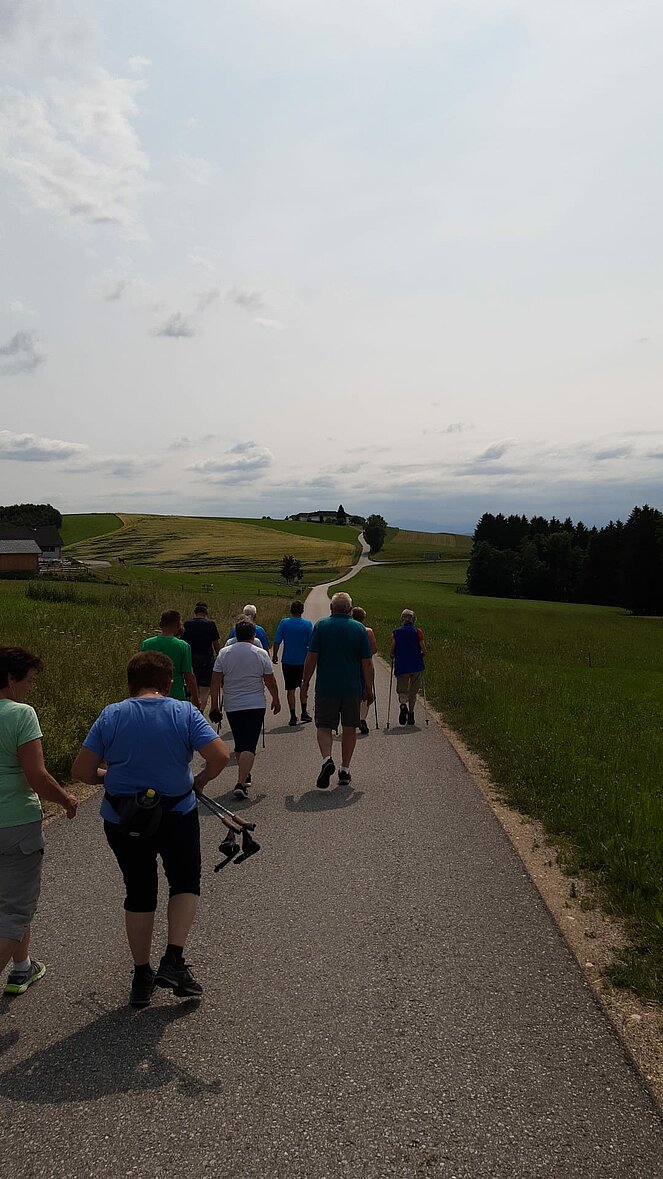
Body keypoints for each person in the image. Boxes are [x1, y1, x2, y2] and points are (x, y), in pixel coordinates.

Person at [72, 651, 229, 1007]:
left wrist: (111, 776)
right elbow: (219, 756)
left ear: (130, 683)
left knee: (139, 891)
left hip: (124, 818)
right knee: (184, 882)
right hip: (177, 814)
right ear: (168, 683)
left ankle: (141, 975)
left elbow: (81, 772)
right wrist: (200, 781)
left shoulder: (111, 715)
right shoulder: (184, 712)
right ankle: (173, 958)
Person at [0, 647, 78, 997]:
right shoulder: (20, 714)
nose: (31, 687)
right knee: (15, 911)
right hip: (15, 823)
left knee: (8, 903)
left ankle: (22, 967)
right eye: (29, 680)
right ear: (10, 678)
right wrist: (66, 800)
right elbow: (36, 775)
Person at [301, 592, 373, 789]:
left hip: (326, 687)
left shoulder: (321, 626)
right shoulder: (359, 629)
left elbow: (311, 658)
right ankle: (345, 769)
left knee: (323, 727)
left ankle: (327, 759)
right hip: (351, 688)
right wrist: (369, 688)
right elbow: (367, 663)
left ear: (331, 608)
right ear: (350, 609)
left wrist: (305, 684)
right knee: (349, 728)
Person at [209, 617, 281, 797]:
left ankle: (245, 774)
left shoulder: (224, 653)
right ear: (253, 635)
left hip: (233, 704)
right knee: (249, 745)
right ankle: (240, 783)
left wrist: (214, 705)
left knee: (240, 742)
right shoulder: (260, 653)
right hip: (255, 703)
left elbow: (215, 681)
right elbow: (270, 681)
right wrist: (276, 698)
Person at [141, 610, 201, 710]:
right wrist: (196, 699)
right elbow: (189, 676)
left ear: (161, 624)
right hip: (175, 695)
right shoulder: (183, 646)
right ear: (177, 624)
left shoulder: (146, 644)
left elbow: (141, 672)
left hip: (150, 694)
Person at [272, 600, 314, 726]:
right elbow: (311, 643)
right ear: (302, 611)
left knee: (290, 689)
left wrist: (275, 654)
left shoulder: (284, 623)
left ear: (291, 610)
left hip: (288, 661)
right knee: (303, 686)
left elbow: (277, 640)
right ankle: (304, 712)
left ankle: (293, 716)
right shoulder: (307, 624)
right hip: (303, 661)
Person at [183, 602, 221, 712]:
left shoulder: (187, 624)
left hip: (191, 658)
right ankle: (200, 711)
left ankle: (191, 710)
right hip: (206, 658)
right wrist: (220, 658)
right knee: (204, 689)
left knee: (191, 685)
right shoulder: (210, 624)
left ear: (195, 612)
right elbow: (215, 644)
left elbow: (184, 643)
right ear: (206, 612)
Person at [391, 609, 426, 725]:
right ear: (414, 619)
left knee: (402, 689)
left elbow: (393, 648)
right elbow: (423, 647)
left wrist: (392, 654)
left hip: (402, 665)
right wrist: (423, 653)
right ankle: (411, 714)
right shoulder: (418, 632)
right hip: (416, 665)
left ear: (402, 619)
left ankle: (403, 705)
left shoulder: (396, 632)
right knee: (413, 691)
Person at [351, 606, 378, 735]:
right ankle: (363, 719)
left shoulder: (350, 630)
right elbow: (374, 649)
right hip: (366, 664)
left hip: (352, 665)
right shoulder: (368, 631)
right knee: (367, 691)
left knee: (353, 691)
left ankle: (353, 716)